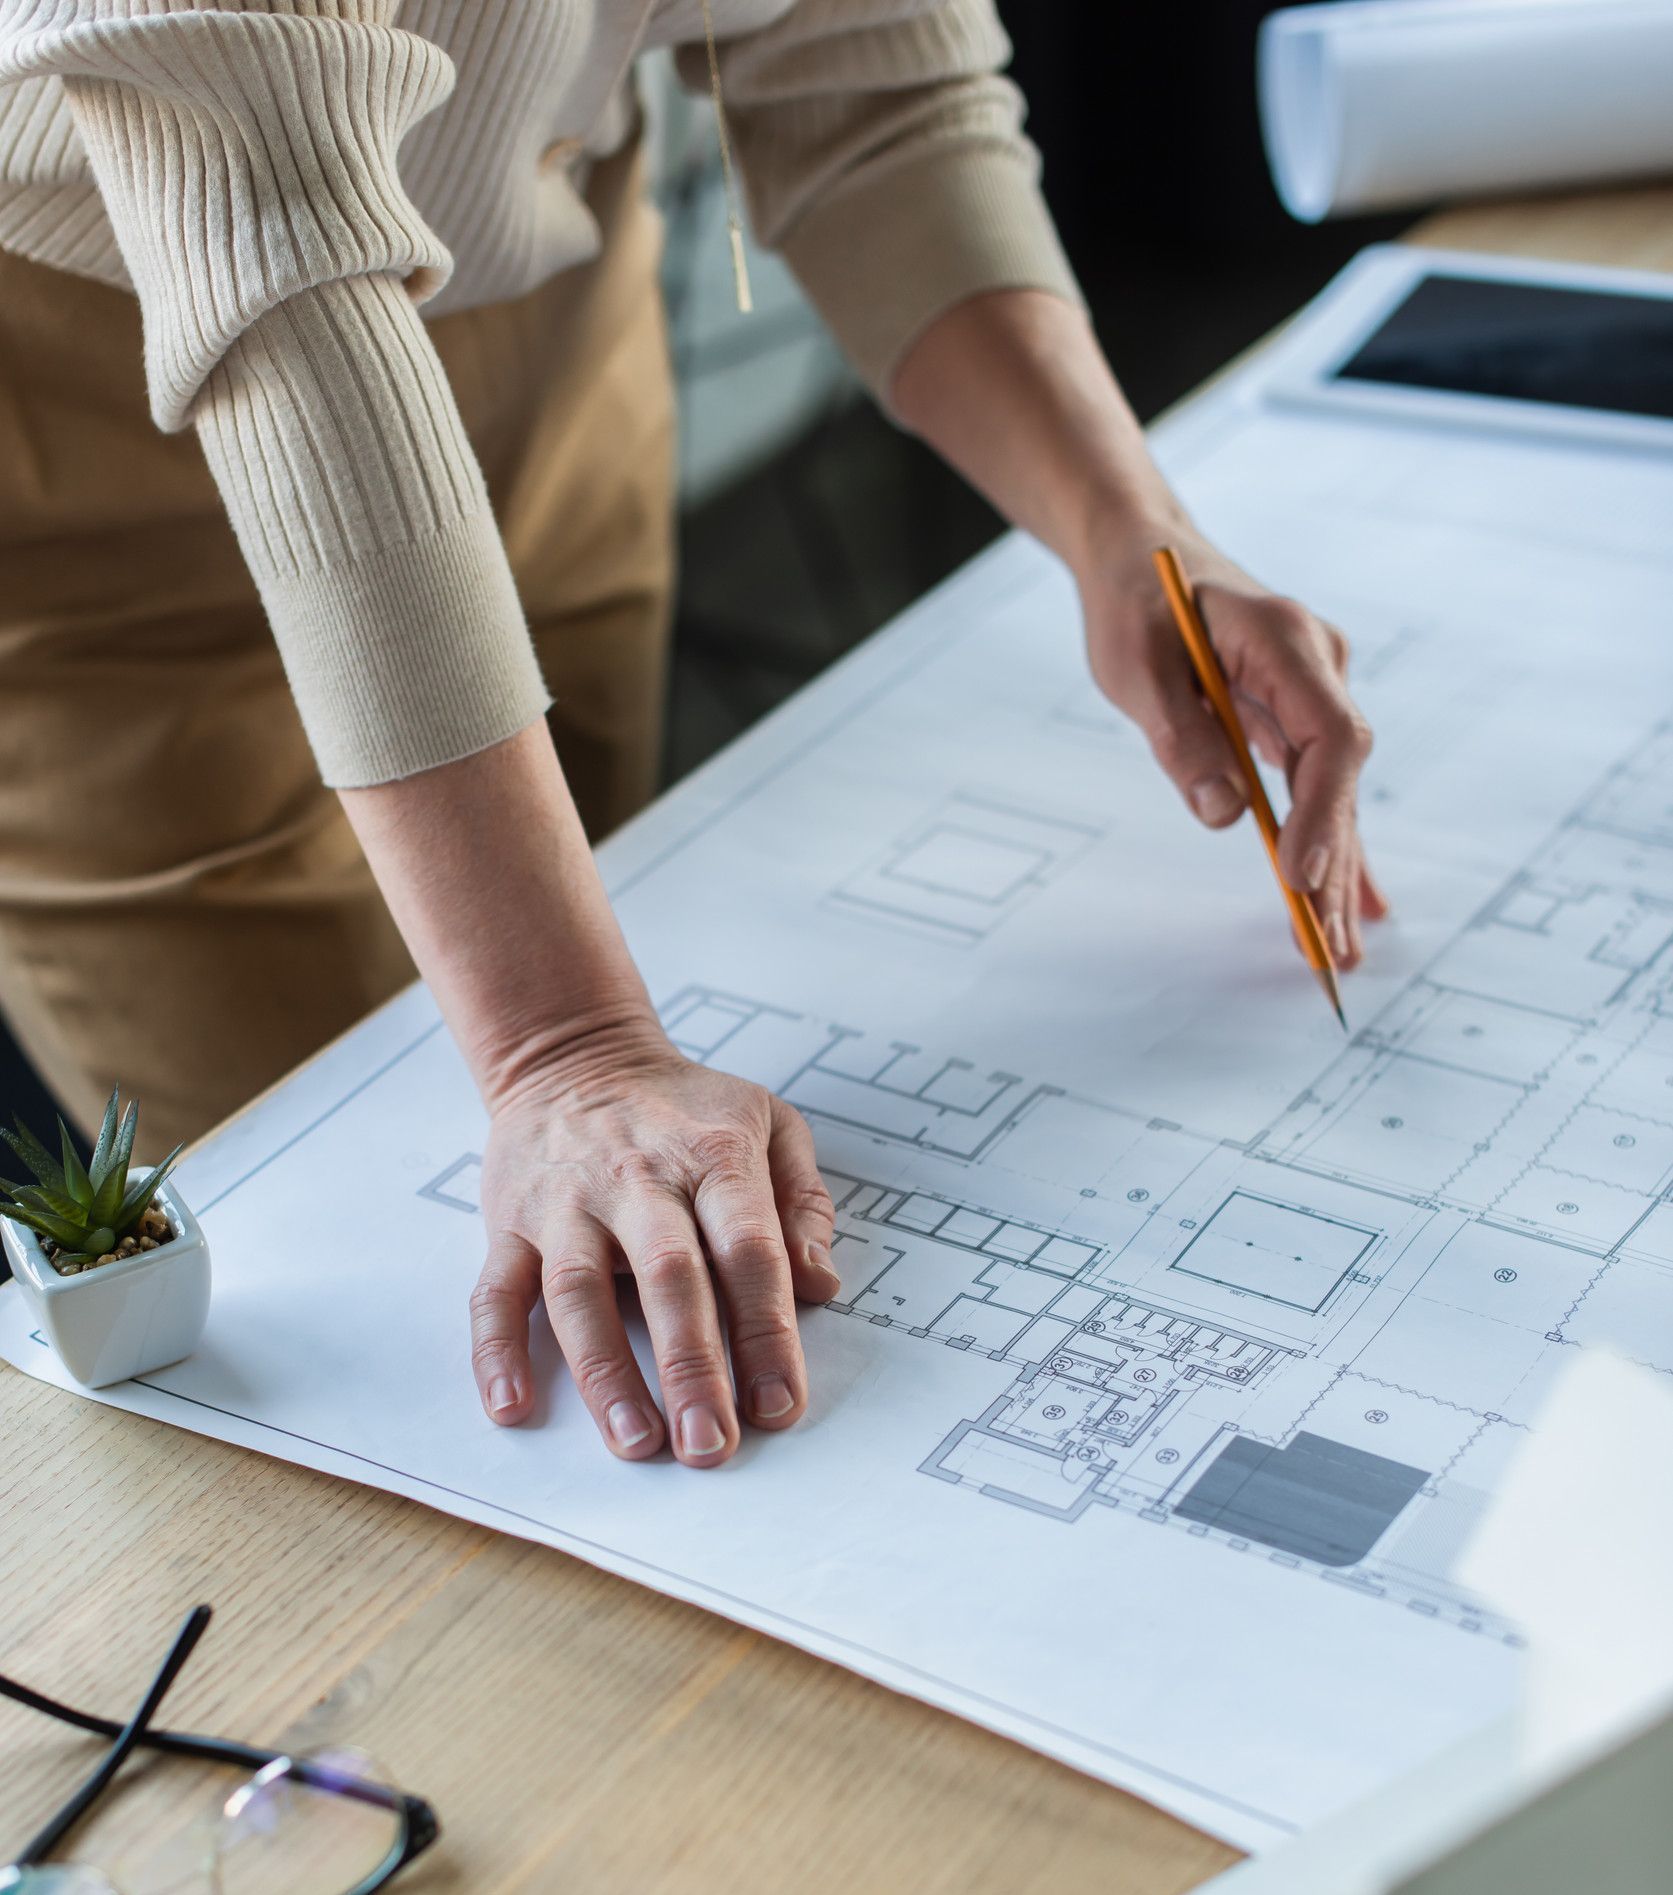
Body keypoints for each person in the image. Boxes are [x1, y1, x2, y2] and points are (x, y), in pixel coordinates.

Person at [0, 1, 1385, 1470]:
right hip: (121, 416)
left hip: (543, 318)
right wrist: (565, 1048)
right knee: (350, 1250)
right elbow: (281, 276)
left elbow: (871, 91)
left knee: (611, 1103)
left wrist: (1125, 529)